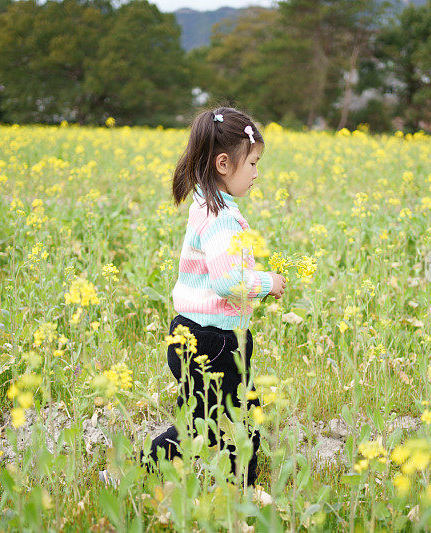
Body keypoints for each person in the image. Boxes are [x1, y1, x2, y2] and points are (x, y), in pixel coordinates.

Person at [147, 107, 286, 487]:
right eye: (253, 163)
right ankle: (243, 490)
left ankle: (158, 465)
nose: (257, 173)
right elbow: (227, 282)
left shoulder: (204, 205)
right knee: (247, 416)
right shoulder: (221, 217)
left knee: (197, 421)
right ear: (224, 163)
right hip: (214, 343)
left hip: (190, 336)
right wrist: (266, 282)